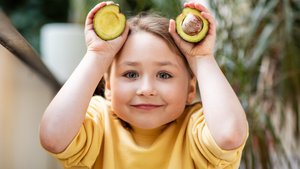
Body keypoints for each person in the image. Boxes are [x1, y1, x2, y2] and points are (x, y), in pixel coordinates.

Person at [39, 1, 248, 169]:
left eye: (164, 75)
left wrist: (201, 57)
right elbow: (53, 137)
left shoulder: (197, 129)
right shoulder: (97, 122)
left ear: (190, 89)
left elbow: (230, 135)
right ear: (109, 87)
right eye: (131, 74)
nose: (146, 89)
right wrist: (97, 55)